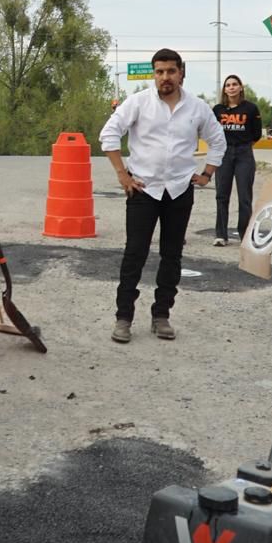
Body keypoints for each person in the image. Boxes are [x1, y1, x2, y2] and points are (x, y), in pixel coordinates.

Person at [100, 49, 226, 343]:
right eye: (159, 72)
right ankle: (123, 318)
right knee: (135, 254)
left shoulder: (197, 108)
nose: (165, 77)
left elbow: (218, 141)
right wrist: (122, 174)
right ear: (153, 74)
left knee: (172, 255)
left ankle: (162, 315)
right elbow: (109, 134)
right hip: (144, 189)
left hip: (180, 191)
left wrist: (207, 174)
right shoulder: (138, 103)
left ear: (181, 72)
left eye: (170, 71)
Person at [212, 75, 262, 246]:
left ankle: (245, 234)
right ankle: (221, 235)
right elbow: (212, 132)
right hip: (224, 154)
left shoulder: (251, 109)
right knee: (221, 195)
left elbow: (256, 134)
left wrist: (243, 146)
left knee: (245, 197)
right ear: (224, 89)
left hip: (244, 154)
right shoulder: (217, 110)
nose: (231, 87)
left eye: (234, 84)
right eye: (228, 85)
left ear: (241, 87)